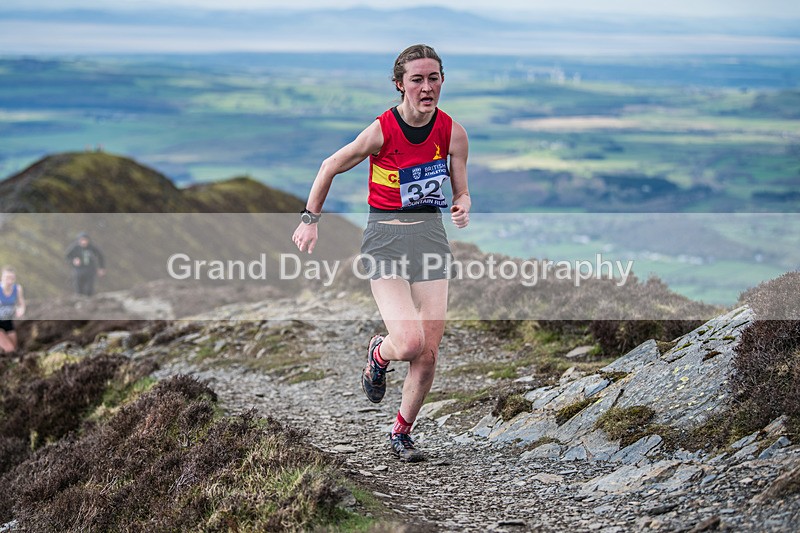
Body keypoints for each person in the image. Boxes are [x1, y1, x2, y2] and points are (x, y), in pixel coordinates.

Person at [292, 44, 470, 462]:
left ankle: (401, 432)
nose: (427, 87)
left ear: (442, 81)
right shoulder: (382, 130)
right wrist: (309, 220)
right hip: (385, 240)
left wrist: (463, 204)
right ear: (400, 84)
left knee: (428, 352)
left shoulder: (452, 132)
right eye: (417, 79)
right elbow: (328, 166)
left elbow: (461, 189)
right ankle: (379, 353)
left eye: (434, 78)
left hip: (429, 239)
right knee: (407, 342)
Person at [65, 232, 106, 296]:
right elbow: (68, 256)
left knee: (89, 288)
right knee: (79, 288)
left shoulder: (92, 247)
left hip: (90, 269)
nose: (84, 242)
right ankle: (80, 301)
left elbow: (100, 256)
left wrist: (101, 268)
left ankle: (89, 301)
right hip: (79, 269)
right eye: (82, 240)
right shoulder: (75, 247)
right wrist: (74, 260)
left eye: (85, 240)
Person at [0, 266, 26, 354]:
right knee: (10, 349)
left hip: (7, 322)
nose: (9, 281)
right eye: (7, 278)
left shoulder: (17, 288)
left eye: (12, 278)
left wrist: (21, 310)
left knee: (14, 348)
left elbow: (21, 304)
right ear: (2, 278)